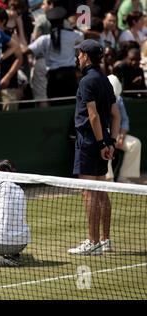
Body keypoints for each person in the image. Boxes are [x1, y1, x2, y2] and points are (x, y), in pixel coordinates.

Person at [69, 39, 121, 255]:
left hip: (90, 143)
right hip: (101, 140)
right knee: (100, 191)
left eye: (80, 54)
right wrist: (111, 142)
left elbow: (94, 116)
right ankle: (105, 240)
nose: (78, 57)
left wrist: (101, 143)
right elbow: (115, 116)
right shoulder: (105, 80)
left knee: (89, 191)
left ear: (86, 56)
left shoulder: (86, 81)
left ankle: (93, 243)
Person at [24, 6, 84, 105]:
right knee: (72, 105)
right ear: (64, 21)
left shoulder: (44, 39)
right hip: (69, 76)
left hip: (53, 78)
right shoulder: (75, 35)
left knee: (56, 105)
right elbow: (81, 42)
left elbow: (26, 51)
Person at [106, 74, 142, 183]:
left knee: (135, 144)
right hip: (104, 134)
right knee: (104, 144)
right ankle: (108, 179)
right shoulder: (99, 100)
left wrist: (121, 136)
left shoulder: (119, 100)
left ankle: (124, 177)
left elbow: (125, 120)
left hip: (117, 134)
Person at [0, 6, 23, 111]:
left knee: (9, 114)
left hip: (8, 84)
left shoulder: (11, 34)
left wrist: (7, 78)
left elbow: (19, 58)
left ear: (3, 21)